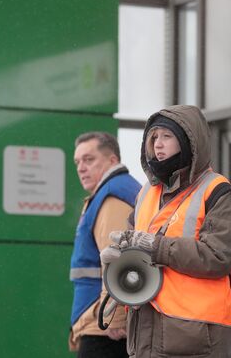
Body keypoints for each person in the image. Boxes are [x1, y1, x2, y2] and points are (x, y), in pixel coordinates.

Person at [100, 105, 231, 358]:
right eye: (153, 137)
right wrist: (118, 263)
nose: (158, 144)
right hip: (147, 330)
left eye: (167, 136)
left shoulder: (218, 193)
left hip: (197, 337)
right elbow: (136, 245)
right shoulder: (146, 192)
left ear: (190, 141)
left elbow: (218, 257)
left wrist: (156, 247)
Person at [69, 132, 141, 358]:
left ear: (112, 161)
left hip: (105, 327)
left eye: (89, 159)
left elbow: (120, 258)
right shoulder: (111, 192)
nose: (81, 168)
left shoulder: (112, 198)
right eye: (78, 162)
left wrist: (114, 317)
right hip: (100, 320)